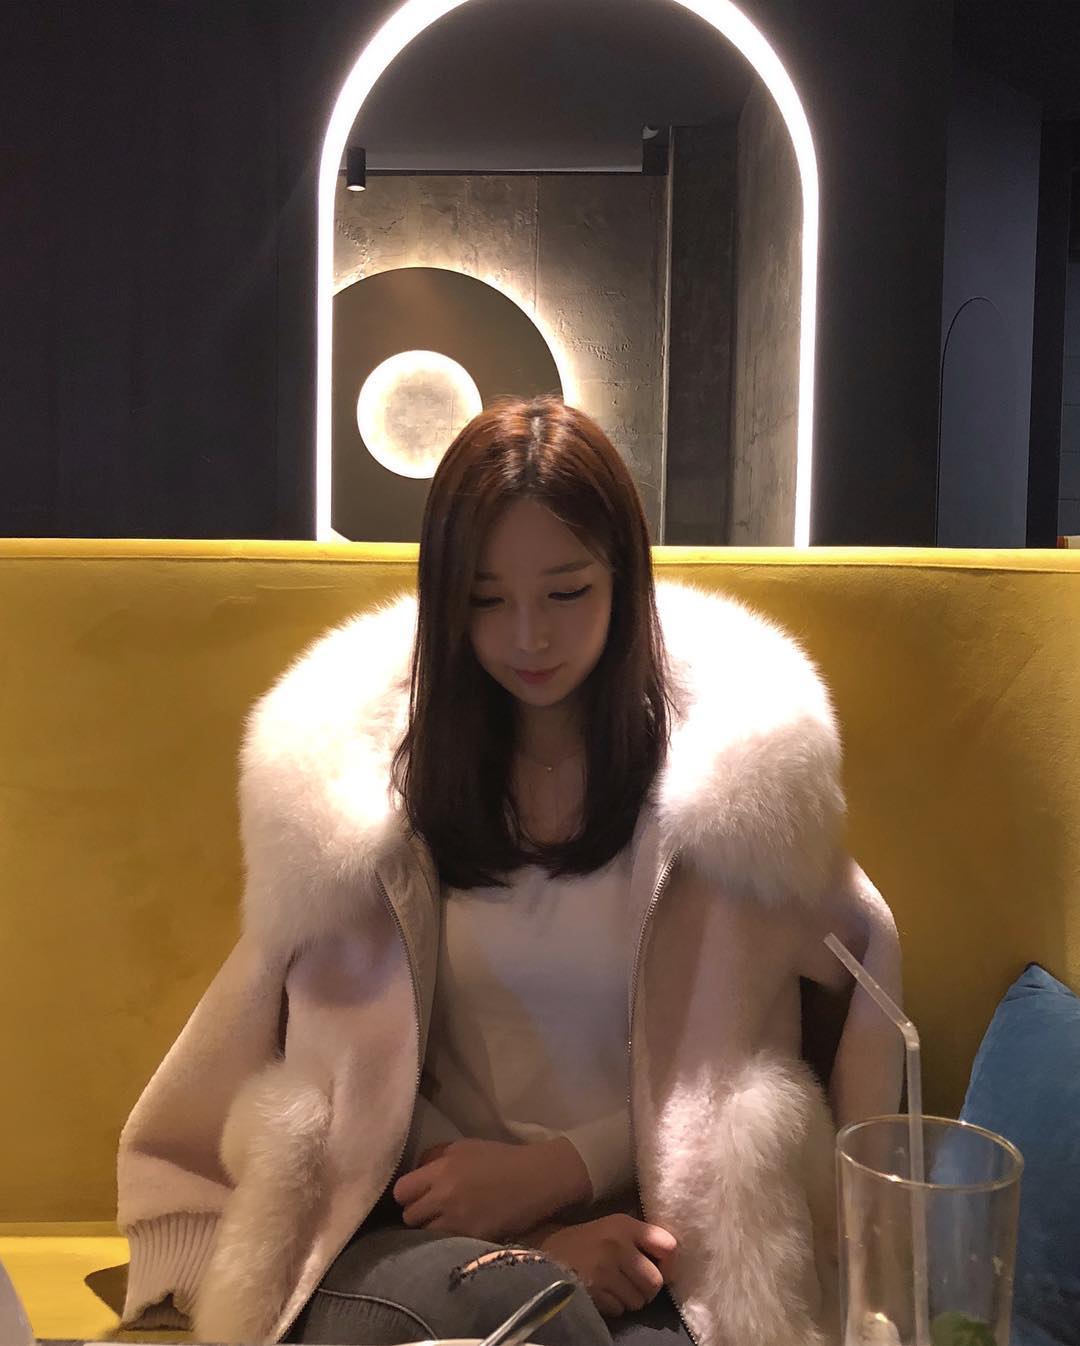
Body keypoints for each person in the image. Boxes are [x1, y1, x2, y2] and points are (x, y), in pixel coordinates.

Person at [117, 396, 902, 1346]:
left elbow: (831, 987)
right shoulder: (364, 795)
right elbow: (339, 1063)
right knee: (541, 1315)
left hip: (658, 1235)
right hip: (403, 1228)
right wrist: (528, 1233)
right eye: (486, 600)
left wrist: (563, 1174)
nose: (528, 637)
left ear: (624, 580)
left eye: (566, 593)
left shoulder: (724, 793)